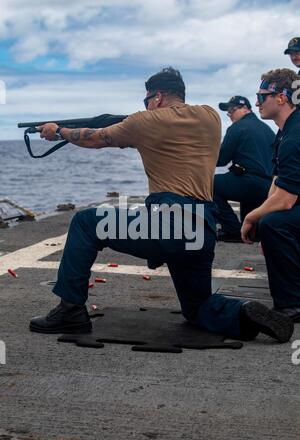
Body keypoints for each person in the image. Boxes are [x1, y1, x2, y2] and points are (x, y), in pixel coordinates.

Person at [30, 67, 293, 343]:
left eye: (146, 101)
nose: (144, 107)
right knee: (198, 307)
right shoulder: (209, 116)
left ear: (156, 97)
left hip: (166, 225)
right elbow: (166, 128)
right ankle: (242, 313)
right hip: (201, 230)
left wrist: (57, 131)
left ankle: (70, 310)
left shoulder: (144, 122)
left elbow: (95, 138)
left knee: (85, 223)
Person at [242, 68, 300, 323]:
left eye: (261, 95)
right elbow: (277, 181)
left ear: (281, 97)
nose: (256, 102)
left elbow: (286, 199)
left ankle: (291, 306)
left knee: (275, 224)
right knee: (271, 222)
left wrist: (251, 218)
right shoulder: (285, 130)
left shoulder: (294, 136)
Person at [214, 96, 275, 242]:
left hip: (249, 182)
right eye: (228, 112)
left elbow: (221, 159)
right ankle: (251, 231)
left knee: (209, 185)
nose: (230, 115)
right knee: (241, 182)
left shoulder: (237, 128)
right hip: (269, 186)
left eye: (232, 110)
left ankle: (232, 230)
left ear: (245, 108)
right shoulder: (267, 130)